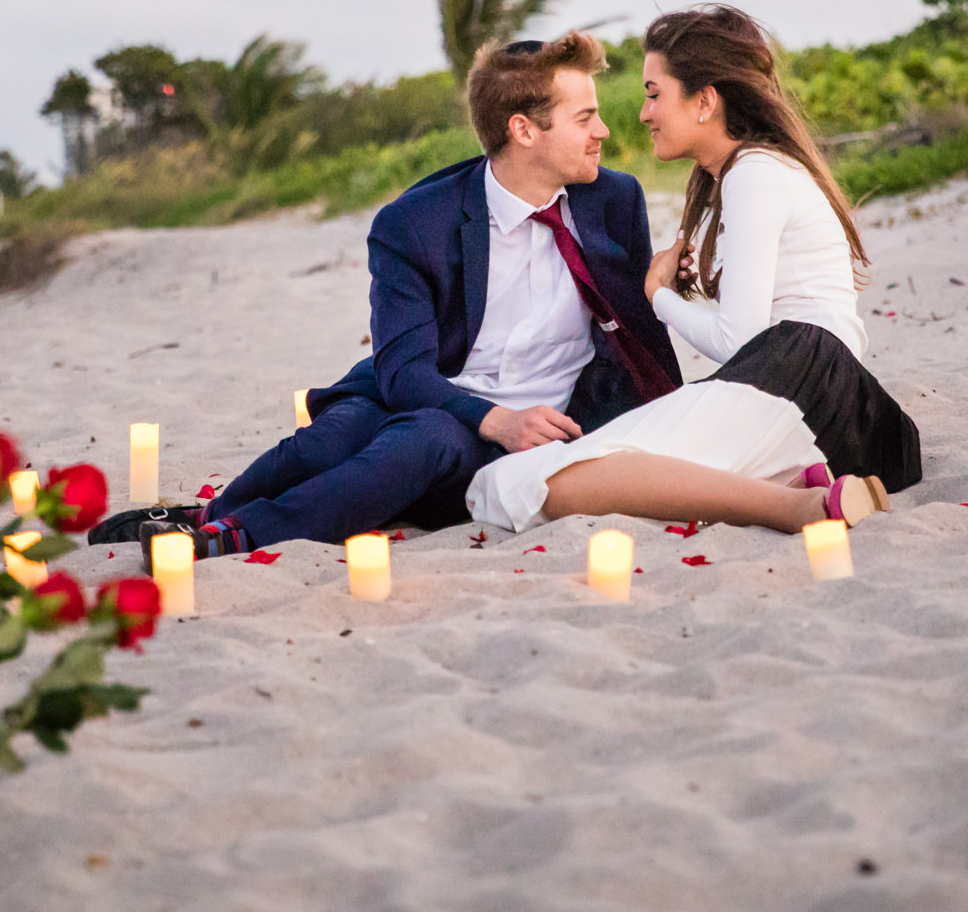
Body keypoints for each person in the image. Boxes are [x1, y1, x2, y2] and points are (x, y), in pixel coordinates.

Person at [100, 31, 682, 559]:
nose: (604, 132)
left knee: (420, 444)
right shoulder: (415, 225)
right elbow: (403, 373)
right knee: (333, 440)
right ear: (523, 130)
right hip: (426, 392)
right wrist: (496, 418)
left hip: (511, 431)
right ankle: (201, 516)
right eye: (586, 119)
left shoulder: (613, 201)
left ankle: (228, 538)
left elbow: (631, 323)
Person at [467, 4, 921, 536]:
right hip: (810, 392)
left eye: (654, 93)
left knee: (505, 483)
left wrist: (660, 296)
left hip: (802, 379)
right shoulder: (728, 180)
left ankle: (800, 508)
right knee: (564, 472)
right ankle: (800, 488)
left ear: (705, 100)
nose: (642, 113)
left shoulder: (754, 175)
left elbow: (740, 338)